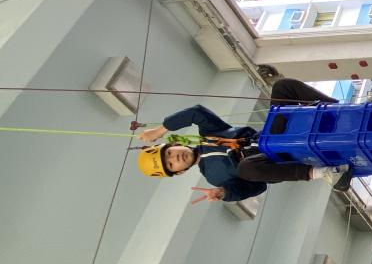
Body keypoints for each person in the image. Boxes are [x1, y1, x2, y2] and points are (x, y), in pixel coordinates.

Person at [135, 78, 353, 202]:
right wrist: (224, 193)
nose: (175, 158)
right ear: (179, 172)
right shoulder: (214, 177)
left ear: (175, 144)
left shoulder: (209, 133)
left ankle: (347, 112)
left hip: (271, 136)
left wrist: (161, 129)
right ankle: (324, 174)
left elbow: (196, 112)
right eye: (171, 164)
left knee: (282, 87)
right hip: (275, 161)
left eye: (169, 153)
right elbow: (257, 188)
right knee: (246, 168)